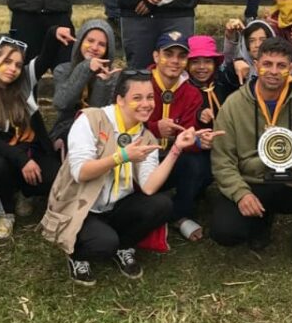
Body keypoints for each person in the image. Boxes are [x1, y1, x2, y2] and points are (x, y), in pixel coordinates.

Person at [40, 70, 220, 285]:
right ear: (120, 100)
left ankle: (123, 246)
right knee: (103, 244)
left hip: (114, 205)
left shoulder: (146, 136)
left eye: (150, 97)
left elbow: (149, 187)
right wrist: (121, 157)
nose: (146, 104)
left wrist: (177, 149)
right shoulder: (92, 119)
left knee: (161, 204)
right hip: (82, 206)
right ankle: (77, 255)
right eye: (137, 98)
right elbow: (81, 172)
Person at [210, 37, 292, 281]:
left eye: (281, 65)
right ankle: (261, 221)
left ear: (291, 67)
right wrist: (241, 193)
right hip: (255, 183)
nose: (273, 71)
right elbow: (222, 160)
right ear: (255, 64)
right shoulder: (234, 104)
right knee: (225, 232)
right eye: (267, 64)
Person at [0, 28, 71, 239]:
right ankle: (5, 213)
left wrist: (53, 34)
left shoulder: (25, 80)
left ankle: (24, 193)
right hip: (3, 155)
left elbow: (44, 58)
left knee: (55, 175)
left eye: (17, 64)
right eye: (7, 62)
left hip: (31, 149)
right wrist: (22, 161)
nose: (13, 69)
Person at [146, 32, 215, 241]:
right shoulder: (140, 83)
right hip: (141, 157)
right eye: (169, 54)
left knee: (201, 163)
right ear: (156, 56)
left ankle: (178, 214)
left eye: (181, 56)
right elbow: (124, 126)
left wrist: (199, 142)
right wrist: (154, 128)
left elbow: (188, 135)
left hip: (171, 157)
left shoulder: (191, 92)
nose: (175, 61)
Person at [49, 19, 121, 155]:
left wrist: (103, 84)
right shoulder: (62, 70)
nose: (94, 47)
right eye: (90, 40)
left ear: (107, 50)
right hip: (66, 128)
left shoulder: (113, 76)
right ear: (80, 41)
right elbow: (61, 103)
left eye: (101, 44)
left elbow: (99, 117)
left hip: (99, 131)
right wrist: (85, 67)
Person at [222, 18, 274, 90]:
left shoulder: (280, 67)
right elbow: (229, 58)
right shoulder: (241, 67)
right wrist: (230, 35)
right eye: (252, 41)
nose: (257, 45)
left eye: (263, 40)